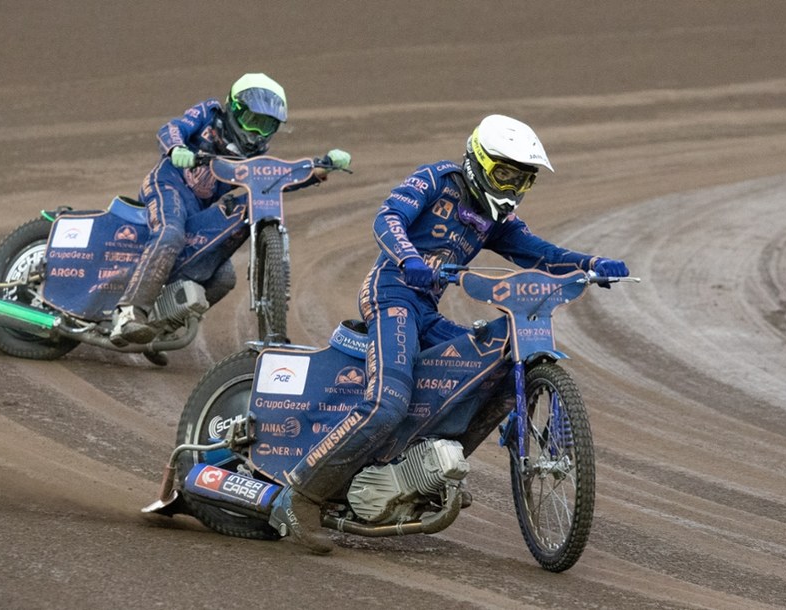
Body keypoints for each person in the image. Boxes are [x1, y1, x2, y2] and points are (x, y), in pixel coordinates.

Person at [268, 114, 629, 554]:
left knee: (490, 372)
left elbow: (541, 254)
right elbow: (387, 218)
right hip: (393, 293)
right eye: (506, 174)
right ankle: (300, 497)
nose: (513, 188)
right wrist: (408, 259)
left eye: (524, 180)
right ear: (479, 160)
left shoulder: (498, 217)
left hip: (427, 309)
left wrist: (590, 264)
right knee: (388, 403)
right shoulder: (437, 179)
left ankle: (419, 475)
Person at [111, 73, 351, 345]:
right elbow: (171, 128)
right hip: (168, 185)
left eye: (266, 126)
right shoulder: (209, 112)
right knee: (170, 233)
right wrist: (176, 148)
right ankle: (129, 314)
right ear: (234, 109)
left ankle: (160, 327)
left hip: (198, 208)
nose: (256, 132)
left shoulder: (253, 155)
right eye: (252, 121)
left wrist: (321, 168)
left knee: (224, 277)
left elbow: (273, 179)